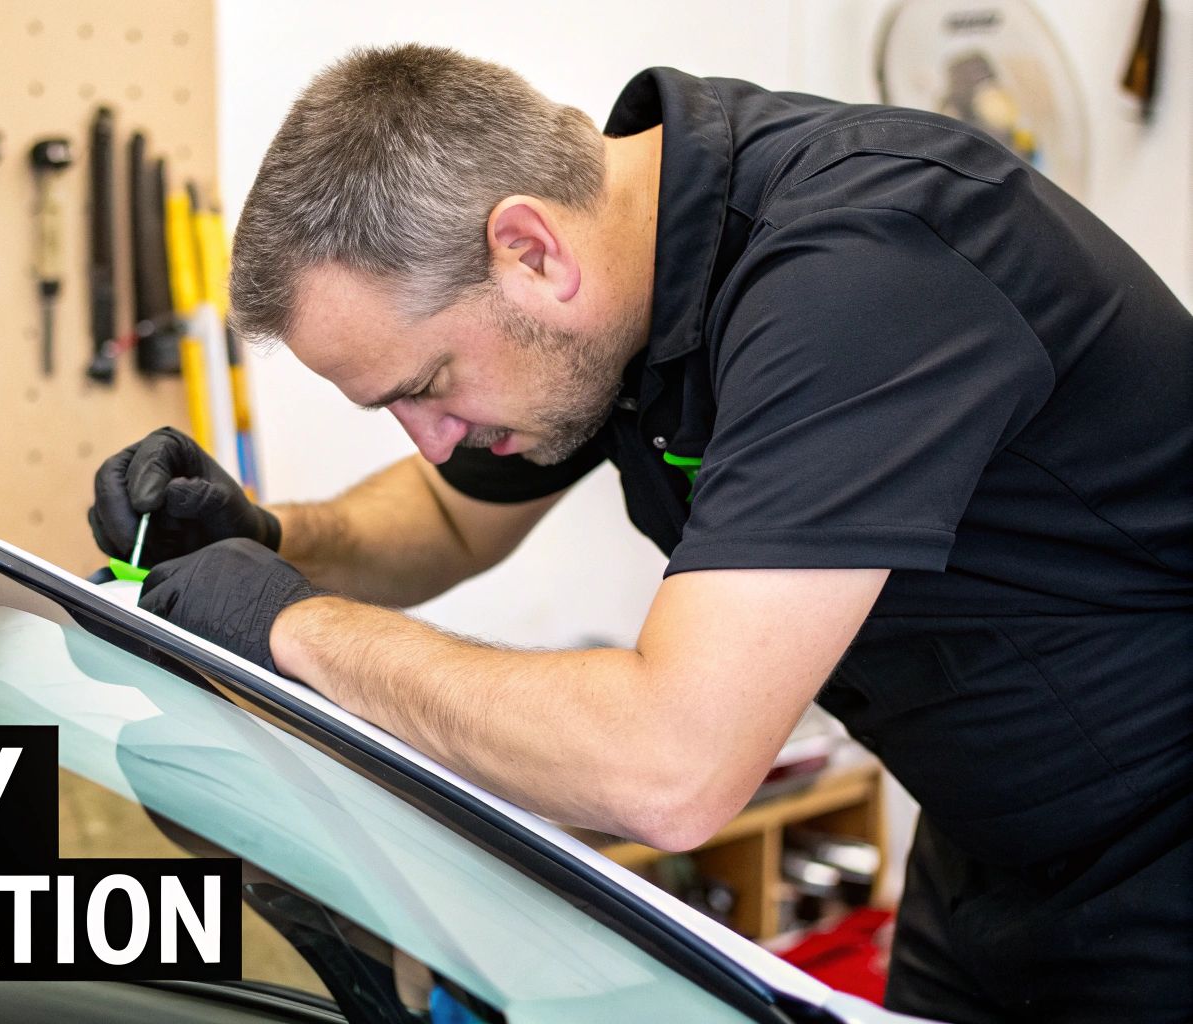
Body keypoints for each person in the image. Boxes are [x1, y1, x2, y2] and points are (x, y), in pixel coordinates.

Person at [88, 46, 1192, 1022]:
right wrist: (273, 534)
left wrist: (291, 625)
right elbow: (443, 515)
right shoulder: (614, 277)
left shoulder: (863, 269)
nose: (430, 441)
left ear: (528, 251)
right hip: (987, 857)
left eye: (426, 386)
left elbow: (672, 768)